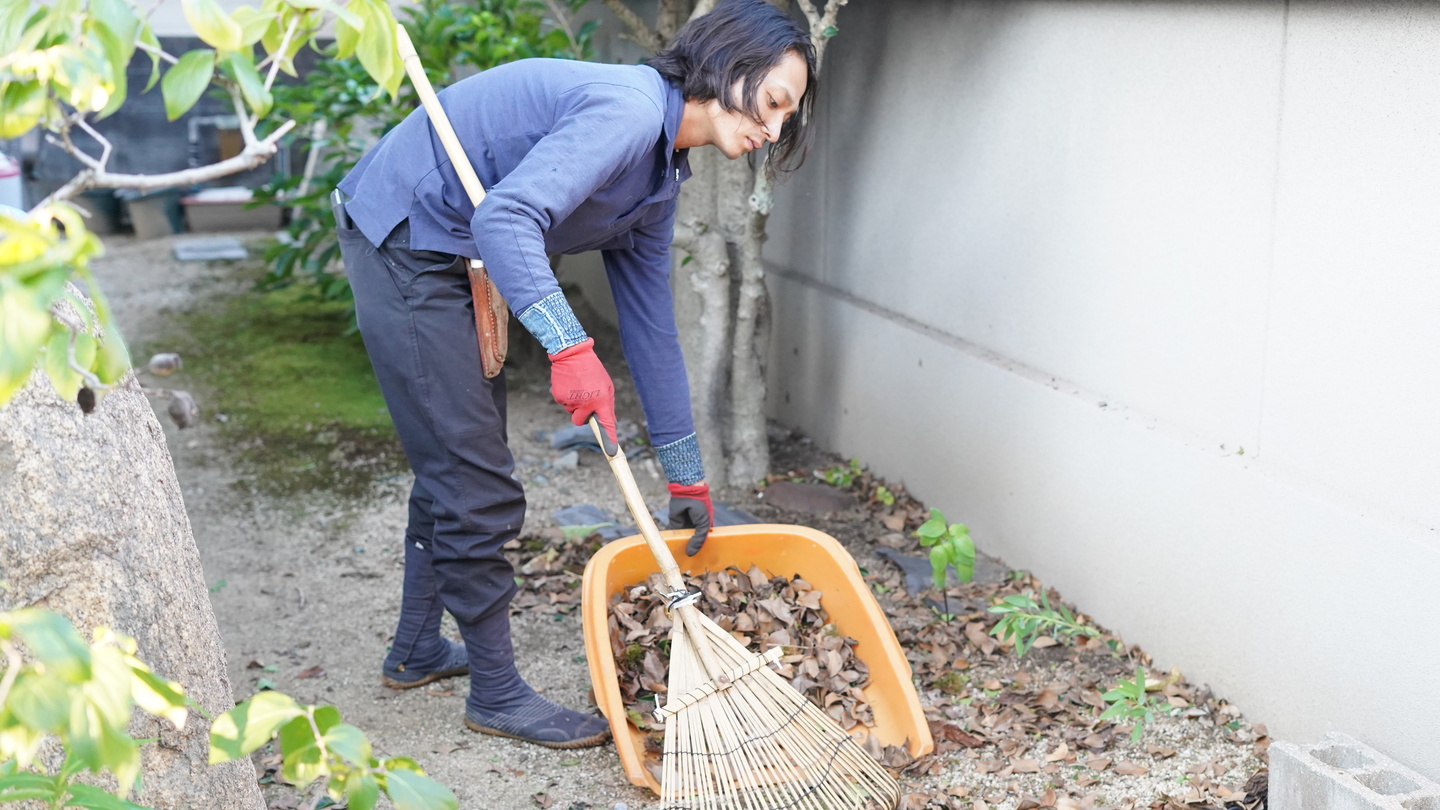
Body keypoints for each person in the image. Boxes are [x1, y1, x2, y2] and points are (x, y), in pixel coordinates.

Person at [333, 0, 818, 749]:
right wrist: (570, 348)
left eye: (788, 116)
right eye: (775, 103)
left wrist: (686, 478)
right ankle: (495, 694)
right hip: (408, 236)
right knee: (475, 477)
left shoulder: (658, 176)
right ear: (728, 65)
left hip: (452, 247)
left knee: (454, 457)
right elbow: (506, 220)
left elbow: (654, 331)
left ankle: (417, 650)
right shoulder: (627, 115)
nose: (774, 129)